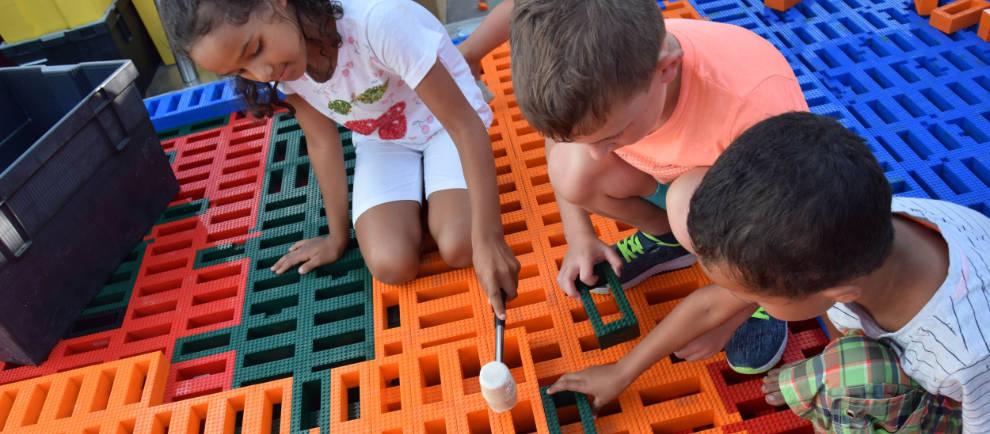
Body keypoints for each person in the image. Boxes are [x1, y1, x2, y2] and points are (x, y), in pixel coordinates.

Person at [555, 112, 990, 433]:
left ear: (839, 291)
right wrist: (621, 372)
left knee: (853, 379)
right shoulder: (851, 223)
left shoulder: (968, 359)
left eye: (758, 299)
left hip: (958, 398)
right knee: (844, 368)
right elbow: (710, 306)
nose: (740, 307)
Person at [160, 0, 520, 319]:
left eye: (255, 48)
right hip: (383, 137)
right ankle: (436, 205)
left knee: (462, 245)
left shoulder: (376, 21)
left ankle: (444, 210)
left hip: (443, 122)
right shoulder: (281, 68)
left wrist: (489, 238)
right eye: (240, 72)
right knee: (390, 264)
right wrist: (336, 236)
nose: (261, 74)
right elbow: (321, 141)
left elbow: (463, 125)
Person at [505, 0, 808, 375]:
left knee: (687, 203)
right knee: (573, 169)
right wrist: (578, 234)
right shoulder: (606, 73)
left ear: (667, 68)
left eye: (613, 135)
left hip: (753, 202)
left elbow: (786, 228)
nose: (598, 154)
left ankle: (756, 302)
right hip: (669, 175)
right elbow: (566, 140)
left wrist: (729, 318)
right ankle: (667, 240)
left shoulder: (751, 108)